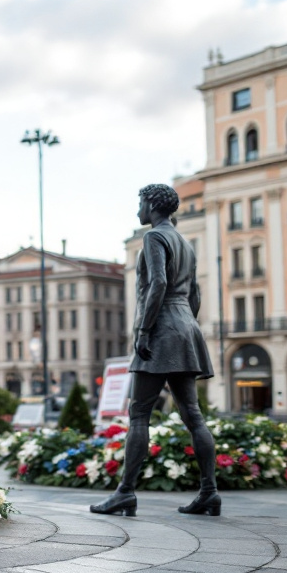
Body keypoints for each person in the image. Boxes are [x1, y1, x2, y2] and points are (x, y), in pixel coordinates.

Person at [91, 183, 219, 518]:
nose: (138, 211)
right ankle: (209, 492)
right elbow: (196, 293)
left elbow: (159, 282)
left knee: (139, 414)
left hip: (162, 328)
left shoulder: (153, 238)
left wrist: (145, 330)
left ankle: (125, 493)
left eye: (140, 204)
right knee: (192, 414)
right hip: (186, 326)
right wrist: (186, 321)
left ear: (151, 205)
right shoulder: (186, 244)